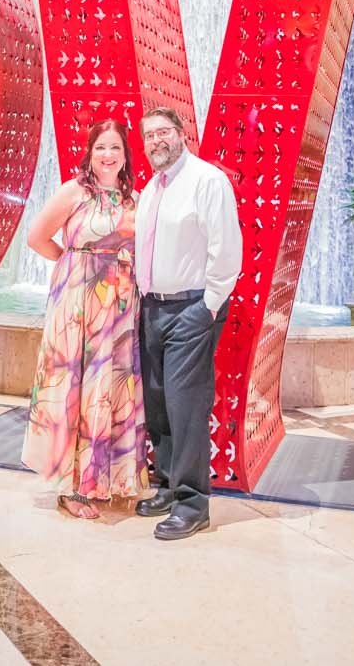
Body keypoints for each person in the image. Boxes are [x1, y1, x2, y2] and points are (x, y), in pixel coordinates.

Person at [21, 119, 150, 521]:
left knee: (111, 387)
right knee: (76, 386)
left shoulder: (136, 199)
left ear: (126, 154)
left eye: (115, 148)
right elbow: (36, 237)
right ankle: (74, 487)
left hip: (121, 307)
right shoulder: (74, 191)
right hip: (78, 306)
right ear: (89, 153)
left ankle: (109, 480)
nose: (108, 155)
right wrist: (74, 266)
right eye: (100, 148)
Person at [133, 105, 241, 541]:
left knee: (186, 406)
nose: (156, 141)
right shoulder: (151, 189)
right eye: (149, 136)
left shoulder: (207, 181)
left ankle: (193, 504)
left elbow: (226, 247)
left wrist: (209, 305)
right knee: (158, 404)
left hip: (192, 309)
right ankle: (167, 485)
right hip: (153, 308)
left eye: (163, 132)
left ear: (181, 134)